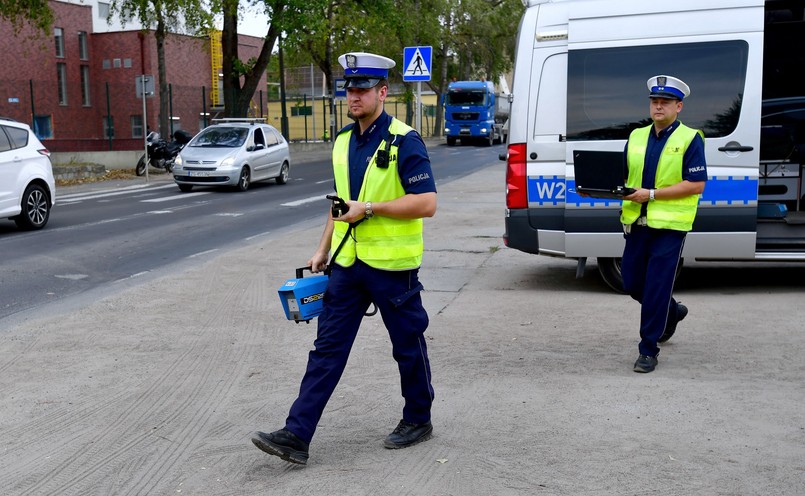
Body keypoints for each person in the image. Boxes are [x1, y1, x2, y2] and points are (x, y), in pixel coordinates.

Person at [252, 52, 438, 464]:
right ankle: (296, 436)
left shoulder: (404, 140)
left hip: (393, 268)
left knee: (407, 345)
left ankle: (418, 417)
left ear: (383, 92)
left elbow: (427, 203)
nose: (353, 96)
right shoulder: (341, 142)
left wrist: (370, 208)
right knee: (326, 349)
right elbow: (339, 206)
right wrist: (322, 248)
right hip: (347, 265)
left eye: (362, 89)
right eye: (349, 89)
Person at [620, 75, 707, 374]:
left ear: (678, 106)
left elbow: (696, 184)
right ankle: (673, 311)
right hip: (637, 221)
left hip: (670, 226)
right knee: (631, 282)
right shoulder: (636, 136)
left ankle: (648, 350)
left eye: (665, 102)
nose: (658, 106)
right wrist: (596, 188)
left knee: (656, 286)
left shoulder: (690, 138)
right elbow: (625, 178)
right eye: (655, 101)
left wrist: (653, 194)